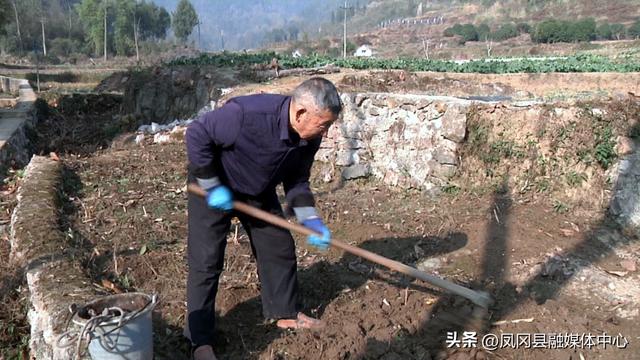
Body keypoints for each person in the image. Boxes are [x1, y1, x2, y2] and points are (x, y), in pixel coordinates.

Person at [184, 77, 342, 360]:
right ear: (300, 113)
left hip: (257, 188)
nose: (326, 133)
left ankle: (286, 313)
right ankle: (200, 340)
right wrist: (211, 185)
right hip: (214, 184)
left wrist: (309, 218)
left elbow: (297, 180)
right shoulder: (246, 115)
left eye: (329, 126)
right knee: (206, 260)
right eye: (324, 125)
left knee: (278, 246)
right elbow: (197, 133)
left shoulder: (309, 137)